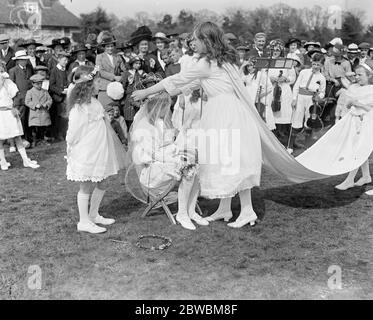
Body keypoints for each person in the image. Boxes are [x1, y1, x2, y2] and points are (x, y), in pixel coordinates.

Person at [133, 22, 264, 228]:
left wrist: (145, 92)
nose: (193, 43)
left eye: (197, 39)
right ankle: (225, 208)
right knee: (227, 161)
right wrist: (163, 92)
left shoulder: (207, 63)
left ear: (206, 41)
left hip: (224, 114)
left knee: (230, 162)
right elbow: (190, 84)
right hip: (229, 111)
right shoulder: (223, 61)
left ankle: (247, 211)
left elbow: (179, 79)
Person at [128, 91, 208, 230]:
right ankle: (182, 214)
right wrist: (174, 155)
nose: (168, 110)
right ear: (159, 106)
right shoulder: (143, 127)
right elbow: (151, 155)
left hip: (162, 163)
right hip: (150, 171)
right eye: (166, 107)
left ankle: (191, 211)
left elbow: (167, 145)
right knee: (188, 168)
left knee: (195, 164)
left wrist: (178, 150)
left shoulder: (160, 122)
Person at [66, 65, 127, 234]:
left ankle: (93, 214)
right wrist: (71, 148)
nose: (100, 83)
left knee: (103, 180)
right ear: (87, 85)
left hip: (100, 149)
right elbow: (73, 133)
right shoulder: (79, 107)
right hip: (87, 151)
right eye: (97, 81)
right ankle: (83, 221)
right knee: (85, 186)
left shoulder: (95, 101)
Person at [332, 61, 373, 190]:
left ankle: (349, 180)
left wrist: (358, 104)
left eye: (360, 75)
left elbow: (369, 109)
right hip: (356, 122)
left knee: (358, 150)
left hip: (368, 123)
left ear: (369, 76)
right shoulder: (354, 88)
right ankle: (366, 176)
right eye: (356, 74)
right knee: (359, 149)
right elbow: (348, 105)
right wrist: (351, 104)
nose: (357, 77)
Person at [0, 67, 39, 170]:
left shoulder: (8, 82)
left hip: (10, 112)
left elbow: (17, 94)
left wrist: (15, 107)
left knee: (17, 136)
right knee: (0, 139)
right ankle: (3, 161)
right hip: (1, 113)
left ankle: (25, 160)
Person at [287, 53, 326, 154]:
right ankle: (290, 145)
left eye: (318, 65)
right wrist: (294, 99)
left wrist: (319, 96)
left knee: (309, 120)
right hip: (300, 97)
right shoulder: (304, 72)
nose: (315, 66)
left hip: (311, 99)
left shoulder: (322, 78)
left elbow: (322, 92)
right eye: (314, 64)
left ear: (322, 65)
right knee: (296, 118)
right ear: (311, 63)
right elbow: (296, 86)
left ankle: (307, 145)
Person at [268, 40, 297, 143]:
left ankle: (284, 137)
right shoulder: (267, 61)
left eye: (278, 50)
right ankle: (273, 136)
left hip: (284, 90)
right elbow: (262, 76)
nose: (275, 52)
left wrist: (286, 78)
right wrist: (270, 78)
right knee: (272, 112)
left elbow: (293, 76)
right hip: (271, 89)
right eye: (274, 50)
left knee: (284, 112)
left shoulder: (287, 62)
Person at [240, 57, 276, 131]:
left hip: (259, 101)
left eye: (251, 65)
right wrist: (242, 66)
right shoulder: (247, 76)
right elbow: (237, 78)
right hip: (250, 100)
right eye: (247, 66)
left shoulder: (261, 74)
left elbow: (269, 87)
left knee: (261, 121)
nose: (249, 68)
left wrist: (260, 95)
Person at [9, 49, 33, 148]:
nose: (24, 61)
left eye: (25, 59)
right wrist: (17, 97)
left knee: (28, 119)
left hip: (29, 98)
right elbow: (11, 86)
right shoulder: (13, 71)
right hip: (19, 100)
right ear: (17, 61)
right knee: (20, 119)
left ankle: (28, 137)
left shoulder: (29, 69)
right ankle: (19, 140)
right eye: (22, 60)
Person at [25, 74, 53, 148]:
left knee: (44, 128)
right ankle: (35, 141)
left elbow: (50, 100)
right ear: (33, 84)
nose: (39, 85)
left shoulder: (45, 92)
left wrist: (46, 104)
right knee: (35, 128)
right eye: (37, 84)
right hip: (35, 113)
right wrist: (34, 105)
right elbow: (27, 101)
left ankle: (43, 140)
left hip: (44, 113)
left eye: (41, 84)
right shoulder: (30, 92)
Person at [96, 34, 122, 108]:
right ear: (104, 47)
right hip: (104, 88)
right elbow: (100, 71)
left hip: (116, 89)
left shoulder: (118, 57)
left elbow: (123, 69)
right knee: (104, 111)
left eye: (111, 46)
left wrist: (121, 77)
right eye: (107, 46)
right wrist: (114, 77)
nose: (110, 48)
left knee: (115, 112)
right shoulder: (99, 57)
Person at [49, 52, 70, 141]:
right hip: (58, 98)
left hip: (66, 96)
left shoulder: (65, 70)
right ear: (59, 60)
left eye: (67, 60)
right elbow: (51, 85)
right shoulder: (54, 70)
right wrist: (61, 91)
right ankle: (59, 134)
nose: (66, 62)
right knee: (60, 116)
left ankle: (65, 133)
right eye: (64, 60)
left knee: (66, 115)